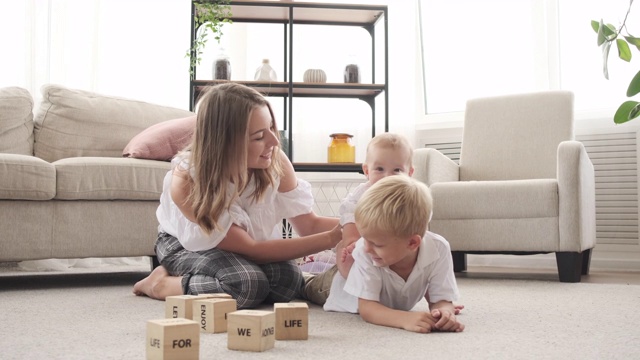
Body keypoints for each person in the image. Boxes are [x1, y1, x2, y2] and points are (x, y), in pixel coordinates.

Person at [133, 83, 341, 309]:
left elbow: (309, 225)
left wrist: (357, 224)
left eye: (272, 129)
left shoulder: (274, 161)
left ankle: (217, 279)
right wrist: (332, 238)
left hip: (241, 245)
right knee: (246, 285)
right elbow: (252, 249)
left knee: (288, 281)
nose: (273, 142)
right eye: (259, 136)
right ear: (226, 141)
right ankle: (161, 284)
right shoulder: (187, 180)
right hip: (184, 245)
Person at [327, 175, 464, 333]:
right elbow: (367, 309)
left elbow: (441, 300)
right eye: (364, 239)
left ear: (412, 243)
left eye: (377, 244)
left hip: (369, 283)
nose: (367, 248)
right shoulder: (366, 253)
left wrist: (444, 312)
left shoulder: (439, 249)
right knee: (305, 286)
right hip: (330, 286)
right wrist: (405, 319)